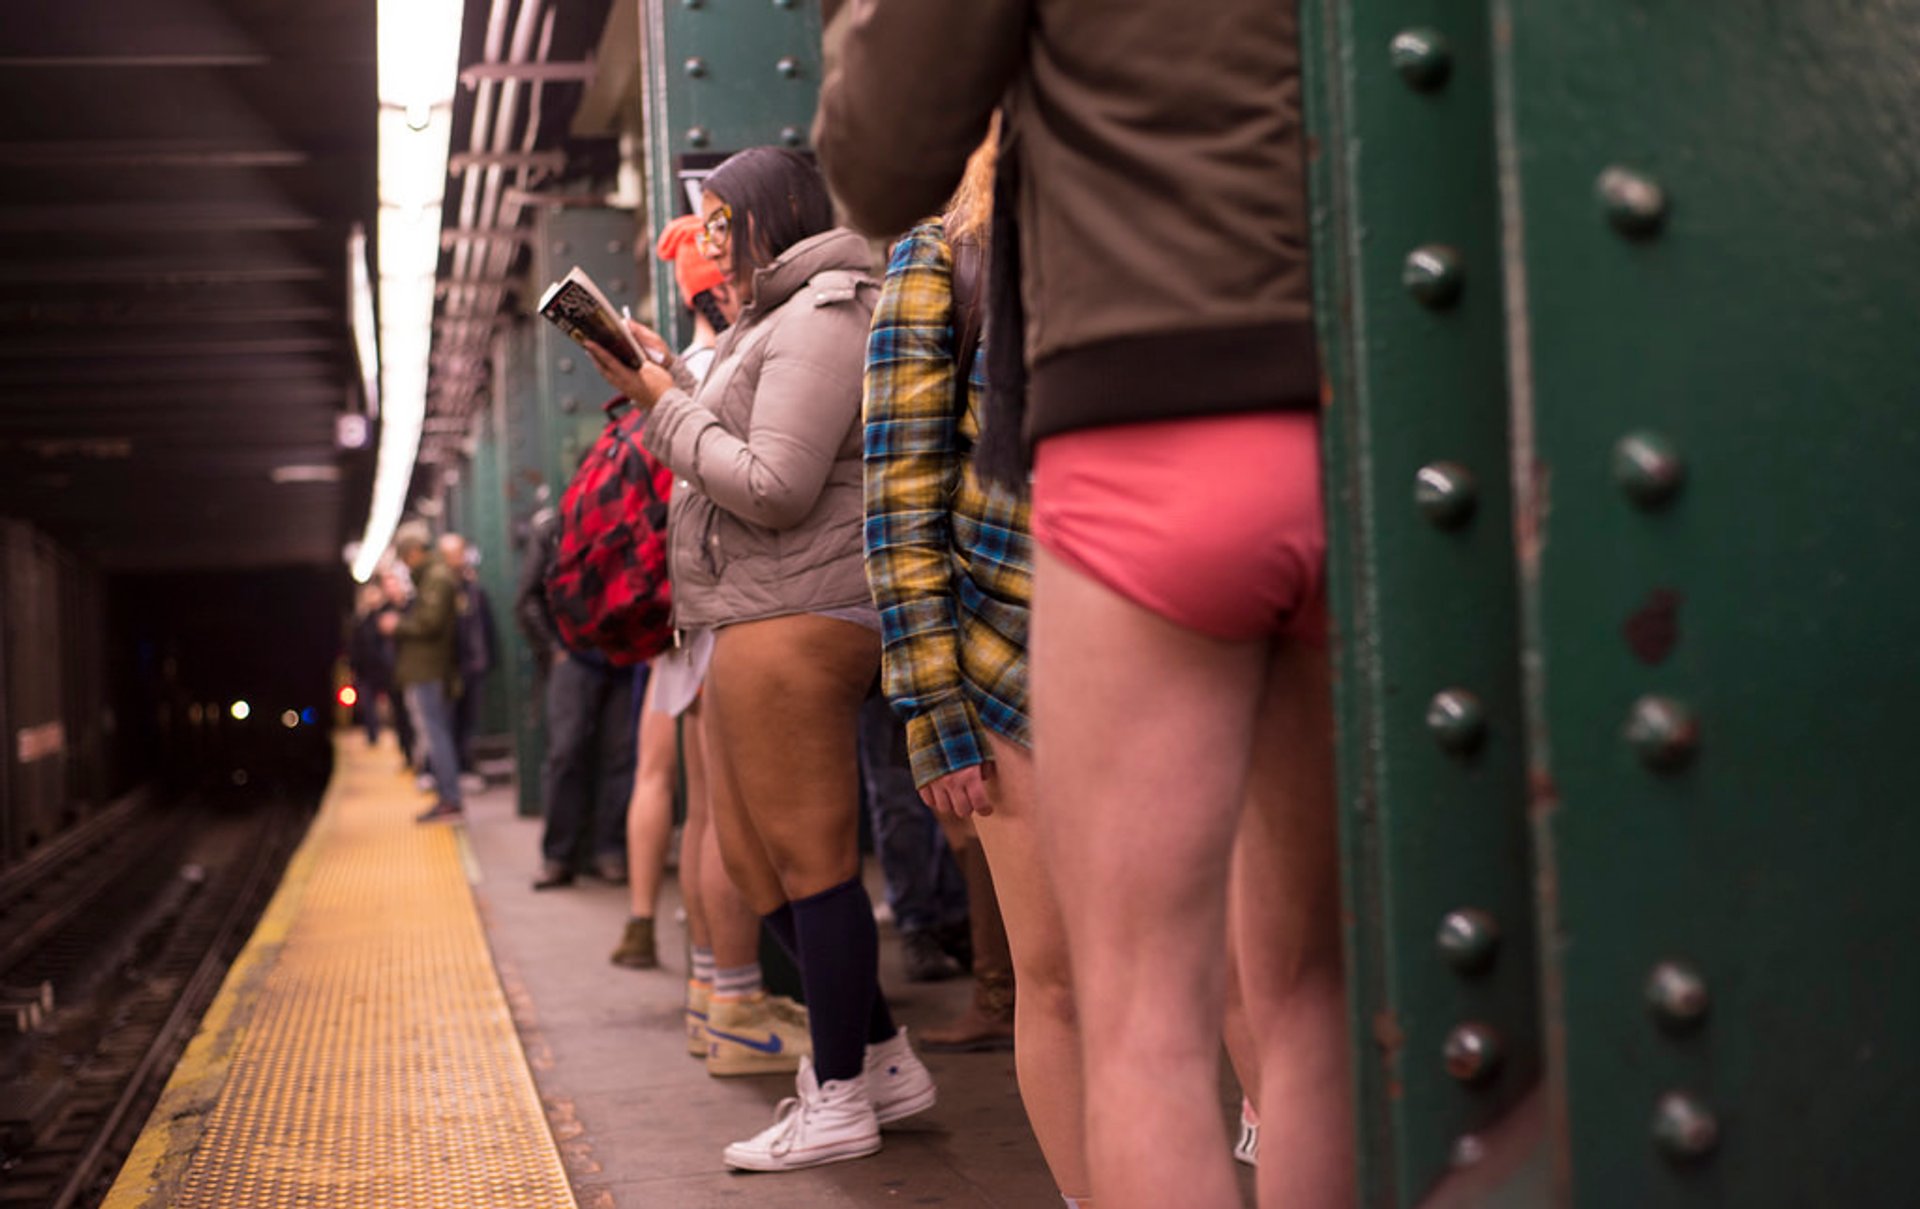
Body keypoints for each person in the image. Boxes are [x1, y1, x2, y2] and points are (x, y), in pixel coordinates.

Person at [819, 4, 1352, 1207]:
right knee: (1314, 993)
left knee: (1144, 1020)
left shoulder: (954, 233)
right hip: (1360, 421)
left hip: (1142, 442)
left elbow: (881, 147)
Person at [582, 147, 934, 1172]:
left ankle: (835, 1098)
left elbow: (774, 481)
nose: (714, 246)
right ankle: (879, 1058)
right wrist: (664, 368)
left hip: (800, 608)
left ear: (771, 216)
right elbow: (727, 425)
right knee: (749, 861)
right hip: (742, 610)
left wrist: (661, 400)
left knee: (812, 860)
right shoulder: (766, 321)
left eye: (724, 225)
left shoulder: (828, 310)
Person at [859, 133, 1087, 1203]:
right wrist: (934, 718)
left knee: (1231, 978)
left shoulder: (1147, 210)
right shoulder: (941, 253)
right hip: (1015, 666)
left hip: (1183, 639)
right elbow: (900, 508)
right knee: (1059, 985)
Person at [513, 504, 638, 890]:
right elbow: (527, 599)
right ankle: (558, 856)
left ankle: (609, 850)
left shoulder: (634, 520)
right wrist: (554, 649)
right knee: (565, 753)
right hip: (574, 654)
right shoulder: (555, 526)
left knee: (622, 757)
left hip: (623, 657)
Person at [382, 523, 465, 824]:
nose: (406, 564)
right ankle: (447, 797)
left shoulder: (436, 579)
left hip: (430, 670)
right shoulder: (432, 578)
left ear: (415, 552)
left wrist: (398, 625)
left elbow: (431, 623)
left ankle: (450, 799)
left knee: (436, 734)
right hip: (426, 669)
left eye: (406, 557)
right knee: (434, 733)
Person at [438, 532, 497, 783]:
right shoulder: (442, 589)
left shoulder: (473, 589)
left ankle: (465, 767)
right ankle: (453, 771)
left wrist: (489, 658)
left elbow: (485, 625)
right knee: (450, 721)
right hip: (452, 667)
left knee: (469, 720)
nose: (457, 560)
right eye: (451, 555)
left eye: (459, 553)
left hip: (474, 663)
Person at [347, 583, 394, 746]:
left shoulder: (387, 617)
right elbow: (354, 647)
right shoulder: (360, 621)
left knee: (394, 704)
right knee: (367, 705)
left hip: (384, 670)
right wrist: (353, 668)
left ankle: (390, 734)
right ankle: (372, 736)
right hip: (365, 671)